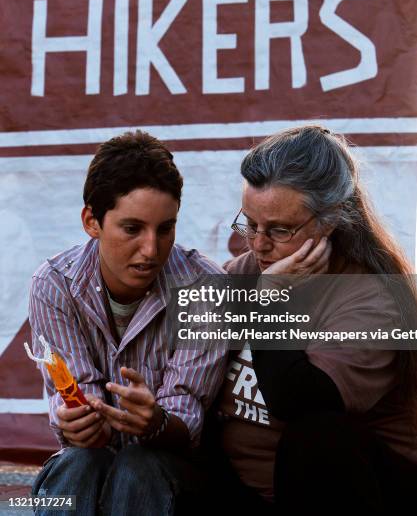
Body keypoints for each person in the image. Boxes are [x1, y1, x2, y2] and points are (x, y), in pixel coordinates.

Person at [213, 125, 417, 515]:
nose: (258, 244)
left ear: (331, 219)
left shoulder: (375, 300)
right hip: (242, 491)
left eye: (279, 229)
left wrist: (269, 301)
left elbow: (298, 401)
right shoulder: (241, 273)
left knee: (319, 434)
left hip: (351, 492)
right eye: (250, 224)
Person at [29, 130, 227, 516]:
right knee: (77, 464)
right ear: (92, 221)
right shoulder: (53, 285)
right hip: (88, 466)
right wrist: (77, 422)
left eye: (165, 229)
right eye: (132, 229)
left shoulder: (205, 287)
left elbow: (187, 421)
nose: (151, 250)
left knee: (138, 467)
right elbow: (75, 405)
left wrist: (156, 423)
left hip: (174, 476)